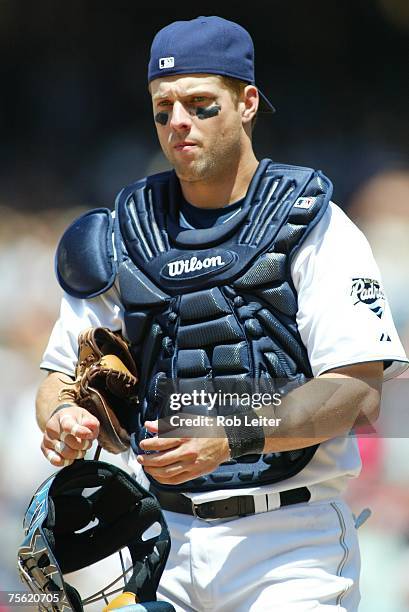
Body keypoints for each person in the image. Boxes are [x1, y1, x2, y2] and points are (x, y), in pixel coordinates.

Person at [35, 15, 408, 612]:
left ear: (247, 102)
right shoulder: (125, 231)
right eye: (163, 110)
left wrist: (229, 437)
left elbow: (358, 395)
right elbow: (58, 377)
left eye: (201, 104)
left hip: (290, 544)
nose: (178, 122)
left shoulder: (313, 223)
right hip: (156, 536)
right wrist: (61, 418)